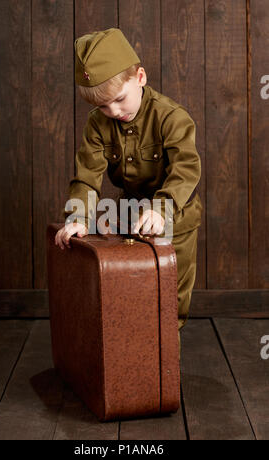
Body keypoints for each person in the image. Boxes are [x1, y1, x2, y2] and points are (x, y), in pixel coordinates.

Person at [55, 28, 202, 330]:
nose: (114, 111)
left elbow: (185, 170)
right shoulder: (98, 124)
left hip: (177, 219)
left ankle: (163, 373)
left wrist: (161, 211)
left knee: (170, 304)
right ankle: (131, 366)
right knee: (133, 297)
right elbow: (86, 176)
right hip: (129, 219)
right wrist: (79, 217)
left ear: (140, 78)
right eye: (102, 106)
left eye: (119, 99)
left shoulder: (172, 117)